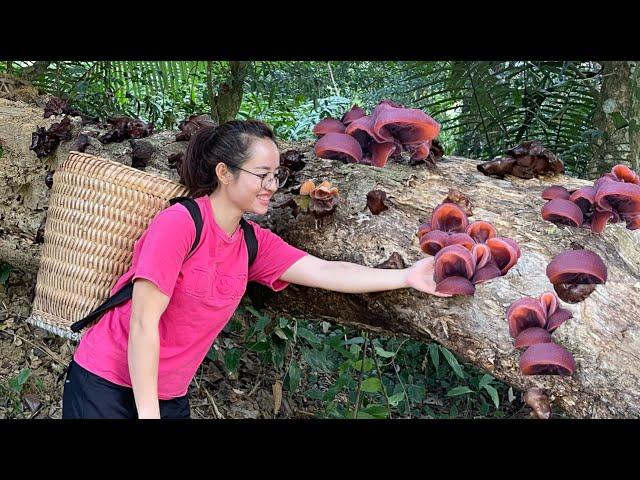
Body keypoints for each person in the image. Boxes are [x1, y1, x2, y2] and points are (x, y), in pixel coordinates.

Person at [61, 119, 449, 419]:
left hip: (169, 394)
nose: (272, 185)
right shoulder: (180, 224)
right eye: (262, 174)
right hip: (106, 381)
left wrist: (404, 276)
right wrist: (148, 414)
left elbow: (327, 271)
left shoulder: (252, 243)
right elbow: (144, 323)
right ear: (224, 173)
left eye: (275, 175)